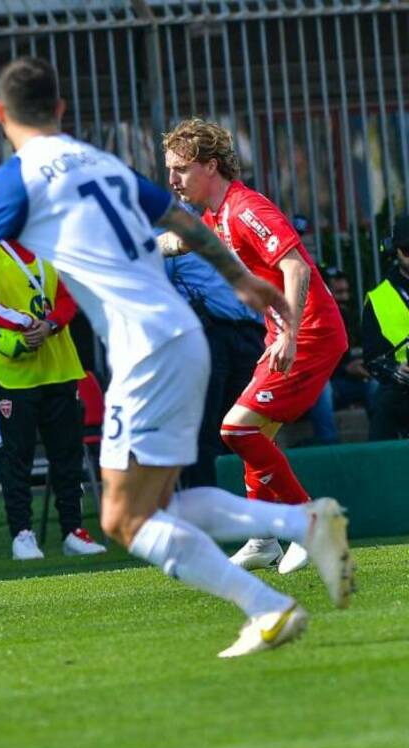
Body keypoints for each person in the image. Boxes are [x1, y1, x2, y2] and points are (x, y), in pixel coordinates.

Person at [0, 57, 355, 657]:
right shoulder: (102, 163)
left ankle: (285, 563)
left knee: (127, 518)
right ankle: (291, 547)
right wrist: (241, 279)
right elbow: (186, 223)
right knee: (142, 508)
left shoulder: (17, 178)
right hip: (180, 339)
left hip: (146, 352)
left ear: (1, 115)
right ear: (60, 111)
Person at [161, 118, 348, 575]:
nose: (172, 180)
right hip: (288, 333)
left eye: (180, 169)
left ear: (209, 166)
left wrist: (288, 333)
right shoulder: (219, 214)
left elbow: (297, 268)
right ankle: (264, 539)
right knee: (253, 436)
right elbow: (181, 241)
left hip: (310, 334)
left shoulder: (246, 209)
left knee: (235, 430)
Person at [0, 238, 106, 559]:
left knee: (67, 456)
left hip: (60, 368)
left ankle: (73, 531)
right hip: (12, 375)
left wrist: (50, 325)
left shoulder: (53, 247)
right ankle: (22, 535)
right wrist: (25, 323)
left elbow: (68, 298)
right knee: (16, 458)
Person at [165, 230, 265, 487]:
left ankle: (246, 503)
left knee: (247, 429)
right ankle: (203, 508)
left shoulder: (236, 220)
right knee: (204, 427)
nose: (177, 186)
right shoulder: (169, 230)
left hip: (251, 334)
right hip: (207, 335)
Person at [305, 267, 377, 444]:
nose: (345, 297)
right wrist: (346, 368)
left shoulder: (346, 316)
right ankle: (329, 446)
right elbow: (310, 363)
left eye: (346, 291)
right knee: (322, 388)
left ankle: (379, 440)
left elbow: (347, 355)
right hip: (316, 386)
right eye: (339, 292)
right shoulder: (310, 317)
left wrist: (358, 365)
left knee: (374, 384)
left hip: (343, 383)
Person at [362, 214, 409, 440]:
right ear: (394, 250)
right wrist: (396, 370)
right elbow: (372, 359)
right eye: (408, 251)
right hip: (402, 388)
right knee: (383, 403)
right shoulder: (378, 299)